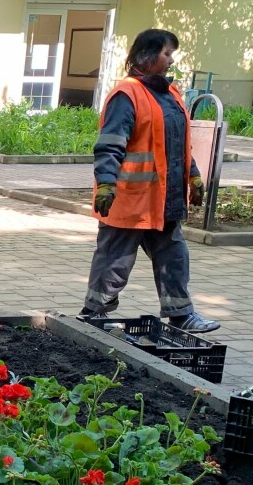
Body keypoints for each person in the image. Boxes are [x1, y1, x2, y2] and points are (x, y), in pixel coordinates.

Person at [79, 28, 219, 333]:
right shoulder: (126, 95)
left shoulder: (170, 94)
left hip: (164, 199)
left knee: (174, 258)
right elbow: (110, 144)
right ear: (146, 55)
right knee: (114, 260)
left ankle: (181, 314)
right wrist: (105, 183)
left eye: (171, 53)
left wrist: (193, 174)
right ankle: (93, 314)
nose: (171, 60)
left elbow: (178, 144)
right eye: (167, 53)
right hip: (130, 199)